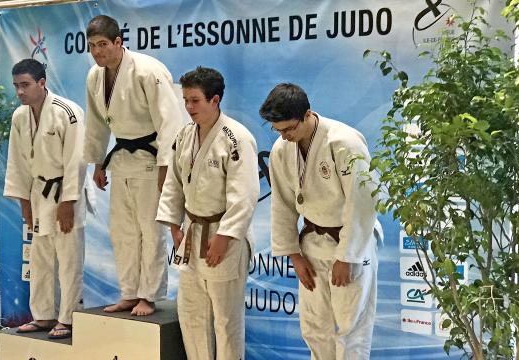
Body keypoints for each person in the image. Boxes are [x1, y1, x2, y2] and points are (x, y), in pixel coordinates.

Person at [260, 83, 378, 360]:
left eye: (289, 129)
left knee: (351, 329)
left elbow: (362, 202)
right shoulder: (281, 149)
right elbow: (282, 205)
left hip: (349, 243)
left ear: (308, 114)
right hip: (311, 243)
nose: (284, 136)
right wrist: (293, 255)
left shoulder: (344, 142)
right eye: (278, 130)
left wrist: (347, 257)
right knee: (314, 327)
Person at [157, 67, 259, 360]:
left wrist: (225, 238)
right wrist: (174, 226)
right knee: (191, 315)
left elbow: (245, 196)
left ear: (215, 100)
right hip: (191, 232)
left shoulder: (237, 138)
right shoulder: (185, 134)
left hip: (223, 235)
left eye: (195, 101)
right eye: (185, 100)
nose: (188, 108)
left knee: (227, 320)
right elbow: (174, 183)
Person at [83, 15, 181, 316]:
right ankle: (129, 291)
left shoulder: (148, 71)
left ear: (118, 42)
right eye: (92, 46)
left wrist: (166, 168)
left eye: (103, 44)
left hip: (151, 158)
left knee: (150, 230)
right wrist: (98, 162)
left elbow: (170, 122)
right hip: (122, 158)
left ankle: (148, 295)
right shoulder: (94, 77)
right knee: (122, 231)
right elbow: (97, 124)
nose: (98, 52)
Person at [4, 58, 89, 340]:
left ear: (42, 83)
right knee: (40, 260)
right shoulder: (19, 117)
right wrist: (24, 204)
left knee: (68, 260)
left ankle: (68, 318)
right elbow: (17, 164)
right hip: (38, 196)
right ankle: (42, 315)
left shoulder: (68, 112)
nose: (20, 91)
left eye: (25, 85)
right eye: (16, 86)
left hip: (65, 193)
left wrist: (68, 203)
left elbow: (77, 161)